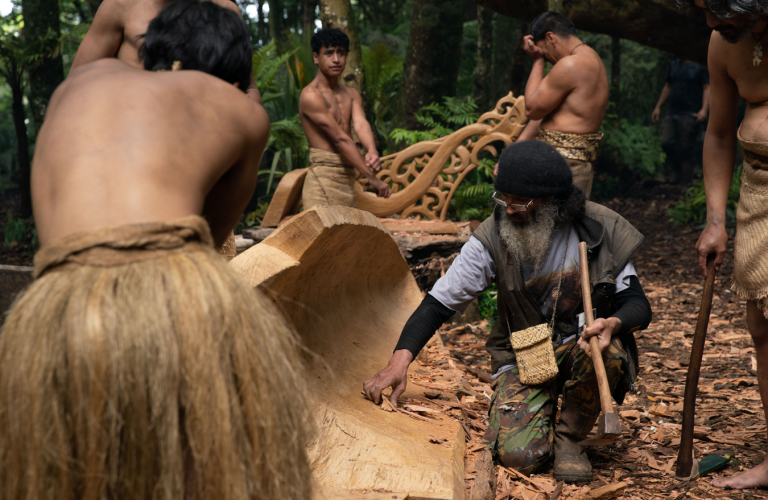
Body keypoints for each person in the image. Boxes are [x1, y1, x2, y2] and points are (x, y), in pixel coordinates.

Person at [0, 1, 311, 499]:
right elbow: (205, 239)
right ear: (229, 73)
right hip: (171, 283)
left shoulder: (74, 87)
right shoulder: (242, 111)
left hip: (55, 304)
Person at [364, 141, 652, 483]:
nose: (509, 209)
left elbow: (639, 305)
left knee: (610, 350)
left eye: (520, 202)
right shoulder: (493, 234)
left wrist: (613, 322)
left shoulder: (600, 227)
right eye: (503, 198)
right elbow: (438, 303)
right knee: (521, 458)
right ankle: (539, 418)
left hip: (583, 351)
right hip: (524, 356)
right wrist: (400, 360)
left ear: (553, 201)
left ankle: (571, 440)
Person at [688, 0, 768, 490]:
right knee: (762, 323)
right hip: (759, 193)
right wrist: (716, 220)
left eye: (721, 10)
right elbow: (718, 135)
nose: (713, 23)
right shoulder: (724, 44)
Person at [70, 0, 261, 103]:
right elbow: (76, 82)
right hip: (133, 126)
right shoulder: (120, 5)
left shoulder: (225, 9)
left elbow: (249, 89)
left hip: (209, 129)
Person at [516, 12, 610, 198]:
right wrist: (515, 151)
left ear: (551, 38)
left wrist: (537, 61)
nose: (547, 57)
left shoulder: (570, 65)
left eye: (543, 50)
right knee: (563, 225)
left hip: (562, 163)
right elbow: (547, 113)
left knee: (554, 224)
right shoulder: (593, 59)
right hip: (574, 163)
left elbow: (532, 109)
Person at [299, 28, 391, 209]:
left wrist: (371, 150)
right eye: (329, 53)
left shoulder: (351, 94)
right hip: (322, 180)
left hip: (347, 178)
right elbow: (340, 139)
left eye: (341, 53)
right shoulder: (311, 95)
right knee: (325, 236)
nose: (336, 59)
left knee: (349, 236)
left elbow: (361, 124)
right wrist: (372, 178)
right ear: (316, 57)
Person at [652, 58, 710, 186]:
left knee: (687, 147)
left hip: (691, 113)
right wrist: (658, 106)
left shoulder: (700, 66)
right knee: (666, 142)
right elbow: (668, 86)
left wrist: (704, 109)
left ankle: (686, 181)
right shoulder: (674, 64)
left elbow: (707, 88)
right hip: (673, 112)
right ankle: (676, 171)